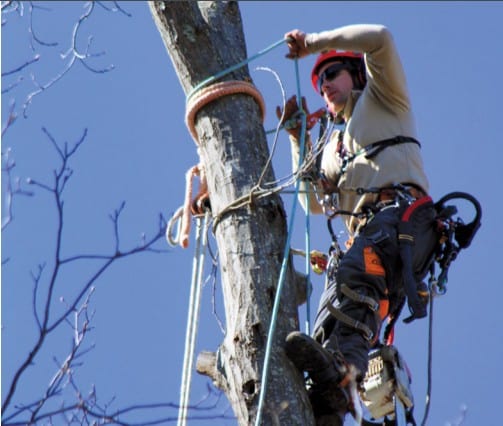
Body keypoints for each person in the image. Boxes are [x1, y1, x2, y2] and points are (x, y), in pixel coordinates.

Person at [279, 24, 439, 424]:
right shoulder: (332, 150)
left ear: (357, 74)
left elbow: (381, 37)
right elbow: (312, 202)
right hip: (372, 239)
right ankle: (331, 393)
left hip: (404, 222)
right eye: (319, 84)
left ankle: (341, 369)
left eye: (331, 75)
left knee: (354, 276)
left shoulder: (385, 99)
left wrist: (313, 45)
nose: (325, 87)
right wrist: (299, 140)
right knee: (332, 304)